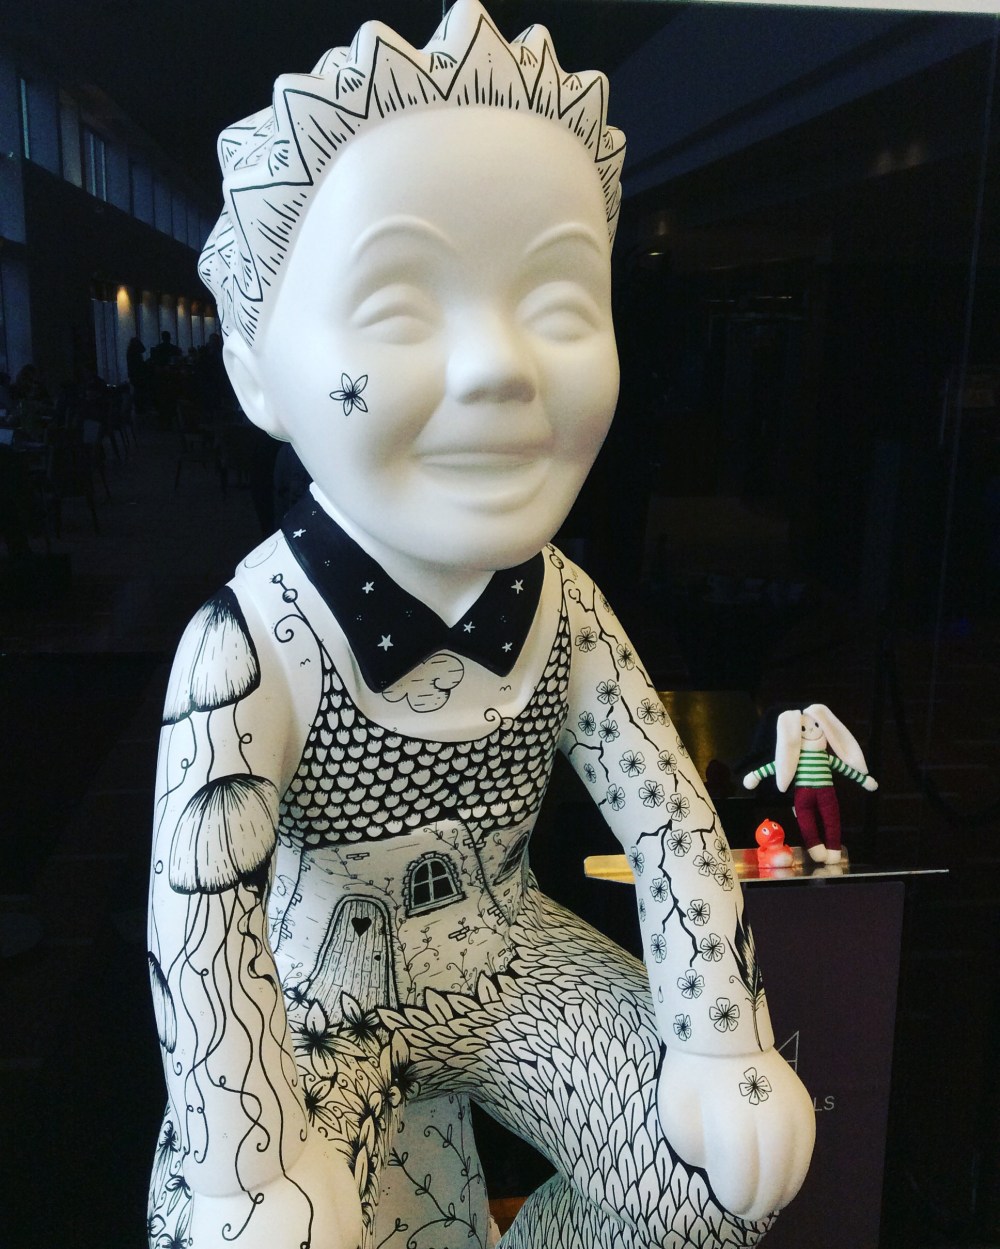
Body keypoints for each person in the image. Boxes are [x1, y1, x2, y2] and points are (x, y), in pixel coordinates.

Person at [147, 6, 813, 1248]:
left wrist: (723, 1037)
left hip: (508, 962)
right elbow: (201, 918)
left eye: (558, 303)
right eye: (400, 308)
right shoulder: (251, 641)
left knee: (712, 1182)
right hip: (317, 999)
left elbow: (667, 814)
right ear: (255, 367)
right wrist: (248, 1159)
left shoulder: (565, 607)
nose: (503, 368)